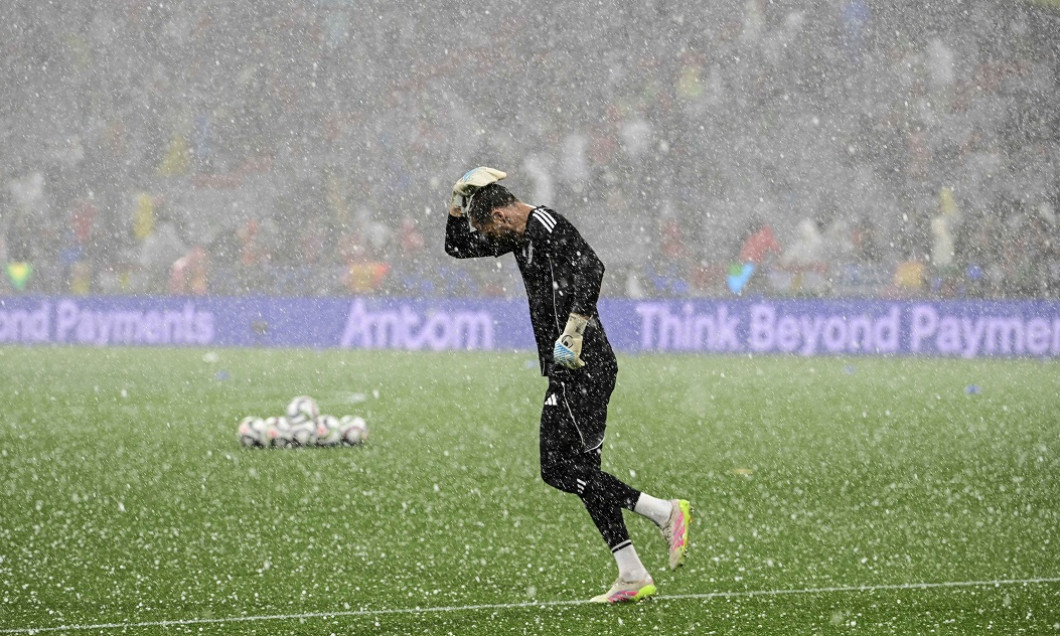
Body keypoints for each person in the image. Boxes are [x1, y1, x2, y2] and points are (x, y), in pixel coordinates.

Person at [443, 167, 692, 604]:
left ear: (501, 217)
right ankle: (631, 572)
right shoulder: (517, 235)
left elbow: (593, 266)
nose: (487, 237)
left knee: (556, 468)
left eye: (485, 226)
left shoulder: (545, 225)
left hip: (583, 363)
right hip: (574, 365)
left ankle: (664, 511)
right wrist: (457, 200)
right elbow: (456, 246)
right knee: (584, 474)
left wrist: (574, 328)